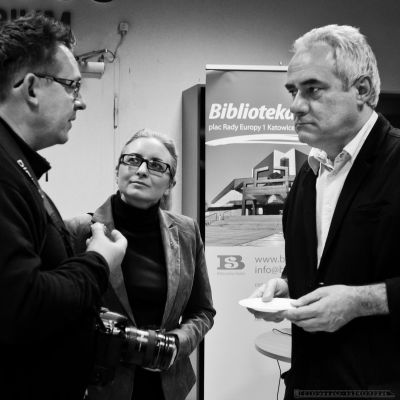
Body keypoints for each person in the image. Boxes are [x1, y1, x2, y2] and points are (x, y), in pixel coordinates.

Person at [250, 25, 400, 399]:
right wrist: (288, 287)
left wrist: (361, 301)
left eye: (313, 89)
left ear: (361, 90)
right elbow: (322, 265)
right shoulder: (308, 174)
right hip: (308, 383)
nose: (296, 106)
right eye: (293, 91)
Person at [0, 12, 127, 400]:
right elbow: (23, 305)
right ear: (31, 88)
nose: (81, 102)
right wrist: (99, 261)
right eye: (72, 86)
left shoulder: (16, 167)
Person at [67, 128, 216, 400]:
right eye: (133, 160)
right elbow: (59, 311)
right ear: (118, 170)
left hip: (167, 386)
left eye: (157, 165)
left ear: (170, 183)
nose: (142, 170)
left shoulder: (186, 232)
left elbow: (203, 311)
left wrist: (175, 344)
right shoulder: (79, 231)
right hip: (101, 387)